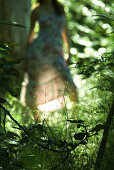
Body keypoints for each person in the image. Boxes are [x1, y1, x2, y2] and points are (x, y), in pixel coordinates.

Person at [20, 0, 78, 118]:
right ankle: (37, 123)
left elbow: (65, 33)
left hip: (56, 52)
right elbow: (30, 34)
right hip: (38, 52)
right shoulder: (36, 10)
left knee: (69, 83)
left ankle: (78, 117)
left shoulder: (60, 8)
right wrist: (25, 57)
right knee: (35, 85)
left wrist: (69, 53)